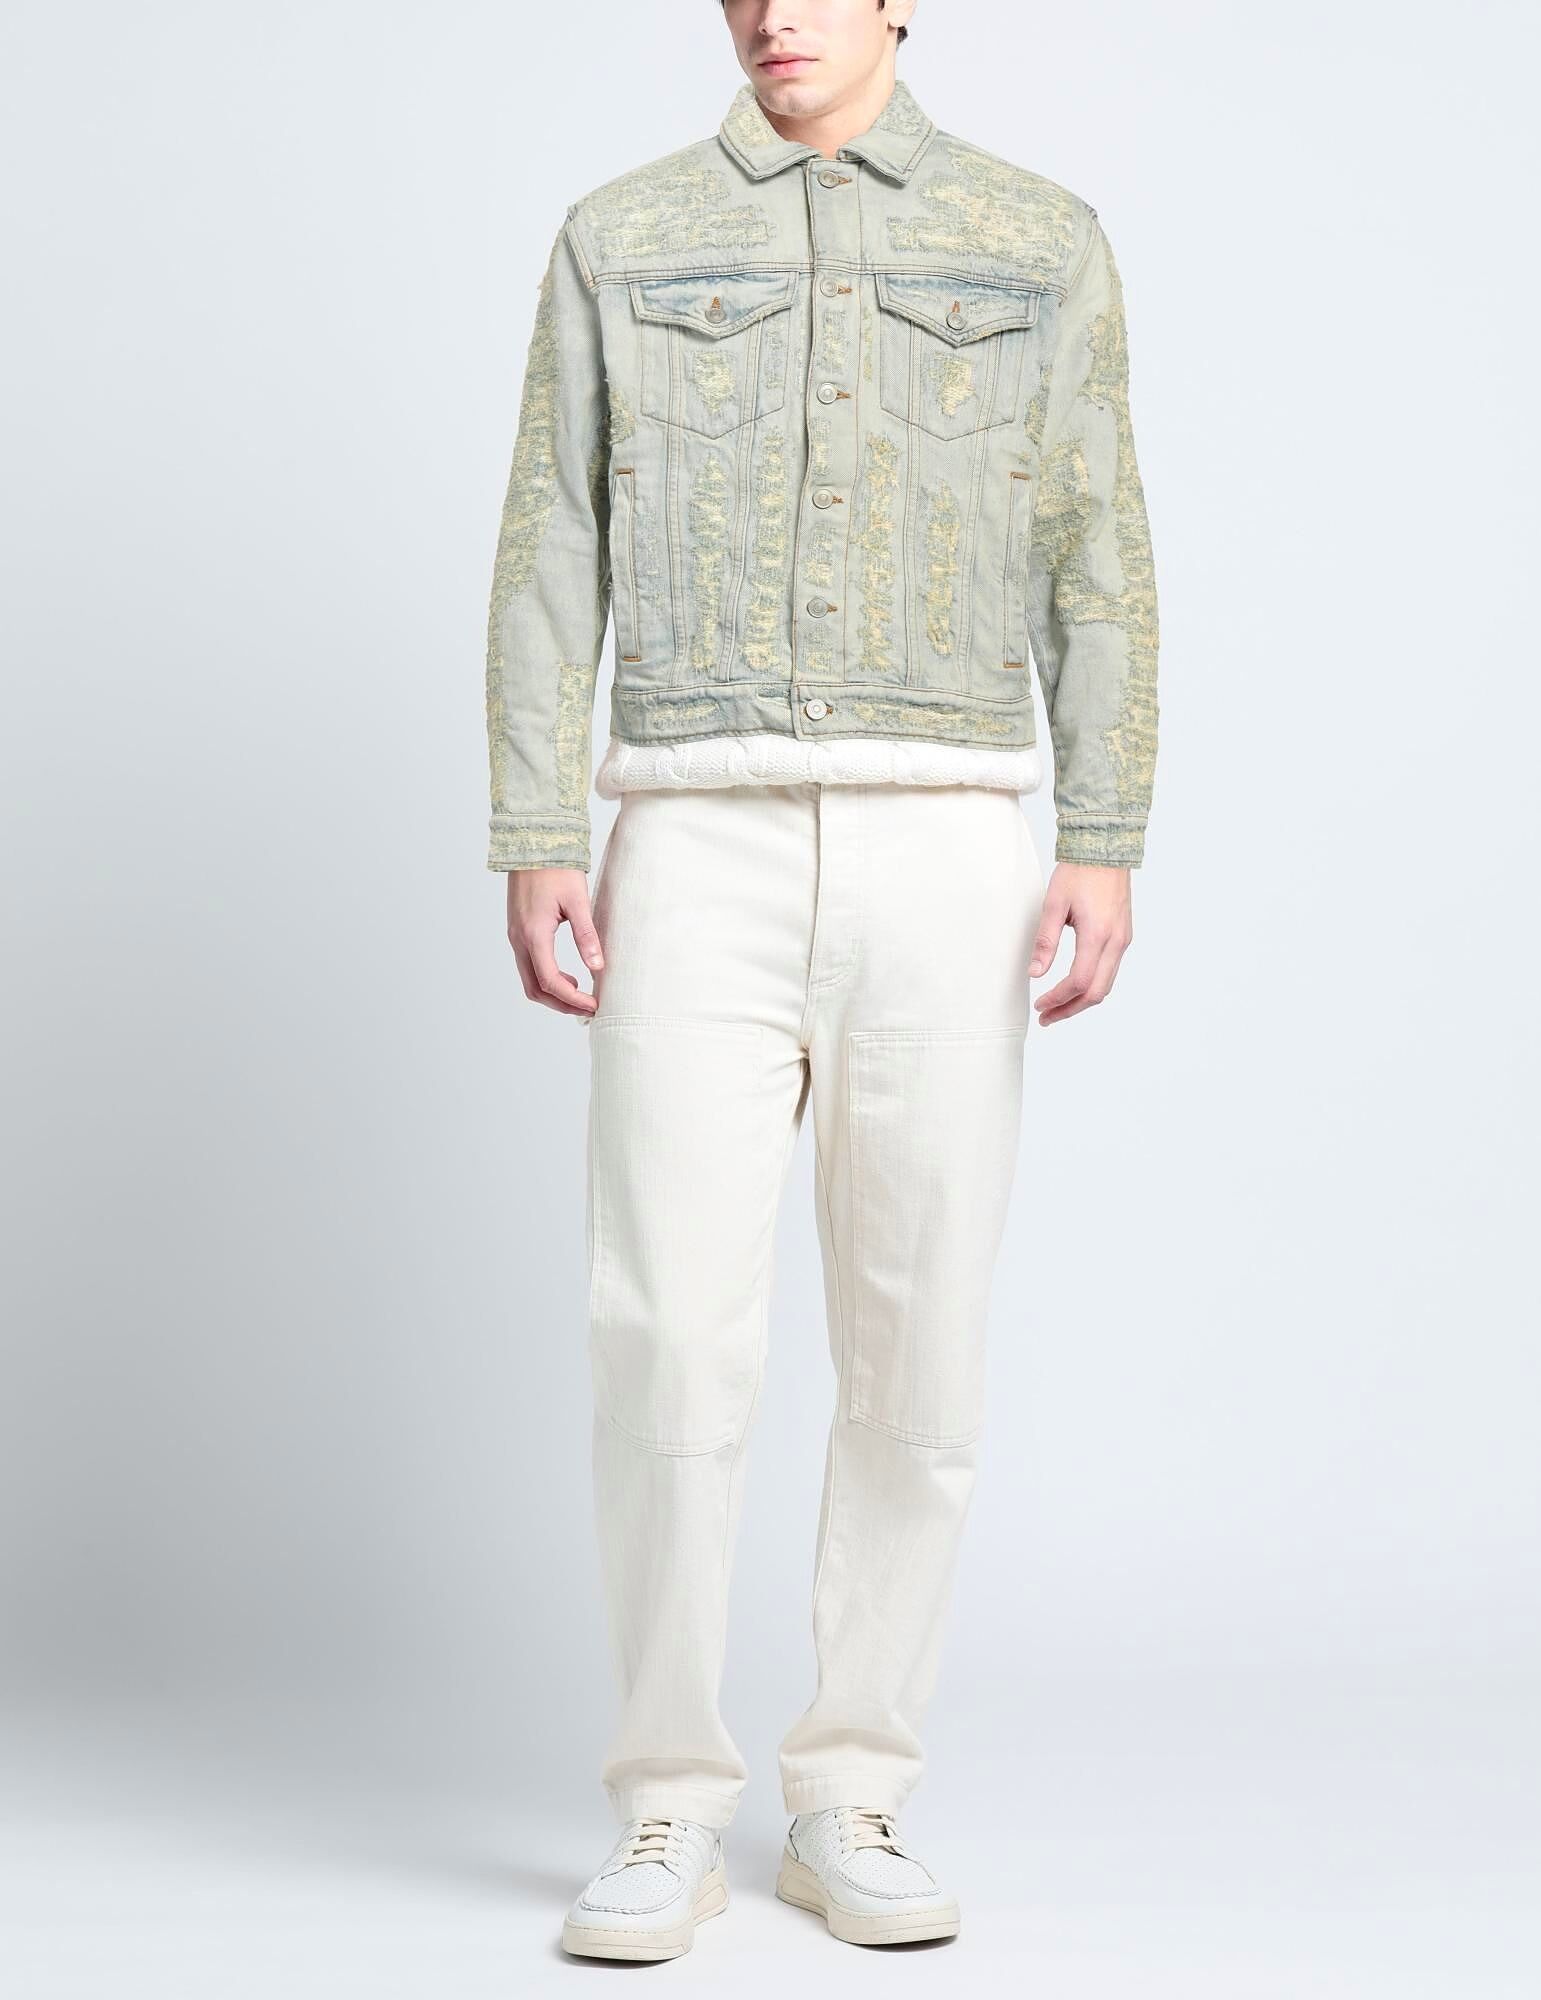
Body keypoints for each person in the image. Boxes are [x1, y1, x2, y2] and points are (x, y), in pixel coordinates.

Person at [484, 0, 1159, 1960]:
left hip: (949, 838)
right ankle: (665, 1802)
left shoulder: (1038, 238)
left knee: (918, 1333)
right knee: (668, 1337)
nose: (776, 14)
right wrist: (534, 823)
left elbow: (1097, 546)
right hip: (693, 833)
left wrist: (1103, 829)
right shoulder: (621, 234)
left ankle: (853, 1784)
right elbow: (551, 543)